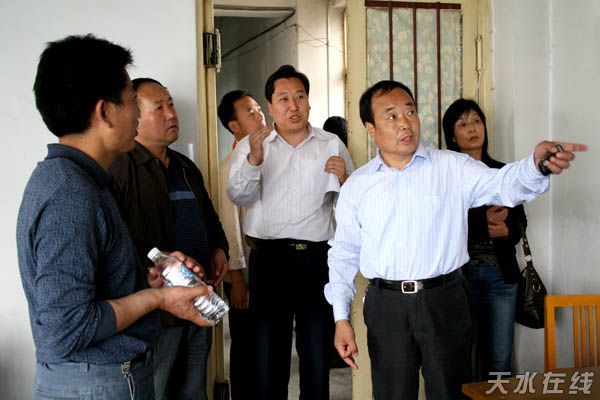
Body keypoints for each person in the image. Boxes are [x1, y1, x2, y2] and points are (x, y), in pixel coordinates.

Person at [325, 80, 586, 400]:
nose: (405, 122)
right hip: (386, 304)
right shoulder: (359, 186)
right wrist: (341, 317)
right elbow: (344, 253)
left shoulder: (452, 167)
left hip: (445, 299)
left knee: (451, 392)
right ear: (371, 129)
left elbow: (502, 184)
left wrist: (535, 166)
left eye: (410, 112)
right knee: (393, 393)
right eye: (391, 116)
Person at [17, 34, 212, 400]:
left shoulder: (84, 181)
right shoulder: (70, 194)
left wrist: (146, 277)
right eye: (131, 101)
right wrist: (157, 300)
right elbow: (66, 328)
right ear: (104, 112)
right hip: (95, 384)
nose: (137, 113)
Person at [227, 64, 354, 400]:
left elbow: (355, 208)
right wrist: (254, 161)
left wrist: (345, 181)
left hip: (316, 260)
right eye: (283, 99)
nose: (293, 106)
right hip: (269, 260)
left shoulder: (331, 144)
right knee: (269, 354)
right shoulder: (252, 145)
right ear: (270, 107)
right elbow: (238, 196)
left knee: (316, 351)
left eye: (300, 97)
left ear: (309, 102)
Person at [109, 77, 229, 400]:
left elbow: (209, 216)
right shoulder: (121, 167)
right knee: (158, 391)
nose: (172, 114)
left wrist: (219, 248)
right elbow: (115, 240)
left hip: (199, 303)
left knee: (194, 390)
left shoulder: (186, 167)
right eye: (159, 107)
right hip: (157, 315)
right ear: (135, 116)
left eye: (171, 104)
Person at [443, 98, 526, 380]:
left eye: (477, 121)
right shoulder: (445, 176)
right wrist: (482, 223)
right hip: (458, 278)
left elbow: (520, 221)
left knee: (499, 359)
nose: (472, 128)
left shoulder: (502, 172)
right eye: (463, 124)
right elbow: (441, 223)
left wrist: (508, 231)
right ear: (452, 136)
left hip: (501, 276)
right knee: (458, 356)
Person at [217, 89, 269, 399]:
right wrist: (237, 277)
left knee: (267, 343)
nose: (259, 114)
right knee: (246, 344)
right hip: (245, 271)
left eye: (259, 108)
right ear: (234, 126)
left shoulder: (272, 156)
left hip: (269, 265)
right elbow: (229, 225)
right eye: (250, 112)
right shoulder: (229, 166)